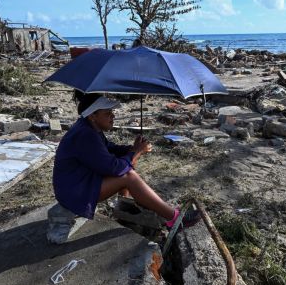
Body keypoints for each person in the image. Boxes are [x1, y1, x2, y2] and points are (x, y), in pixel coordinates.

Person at [52, 90, 198, 228]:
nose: (112, 116)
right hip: (74, 192)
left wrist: (131, 149)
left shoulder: (88, 127)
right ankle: (175, 219)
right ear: (93, 116)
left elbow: (108, 148)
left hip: (78, 183)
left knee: (126, 163)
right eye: (107, 113)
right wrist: (137, 152)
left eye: (112, 112)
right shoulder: (86, 135)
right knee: (128, 176)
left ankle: (125, 209)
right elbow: (114, 168)